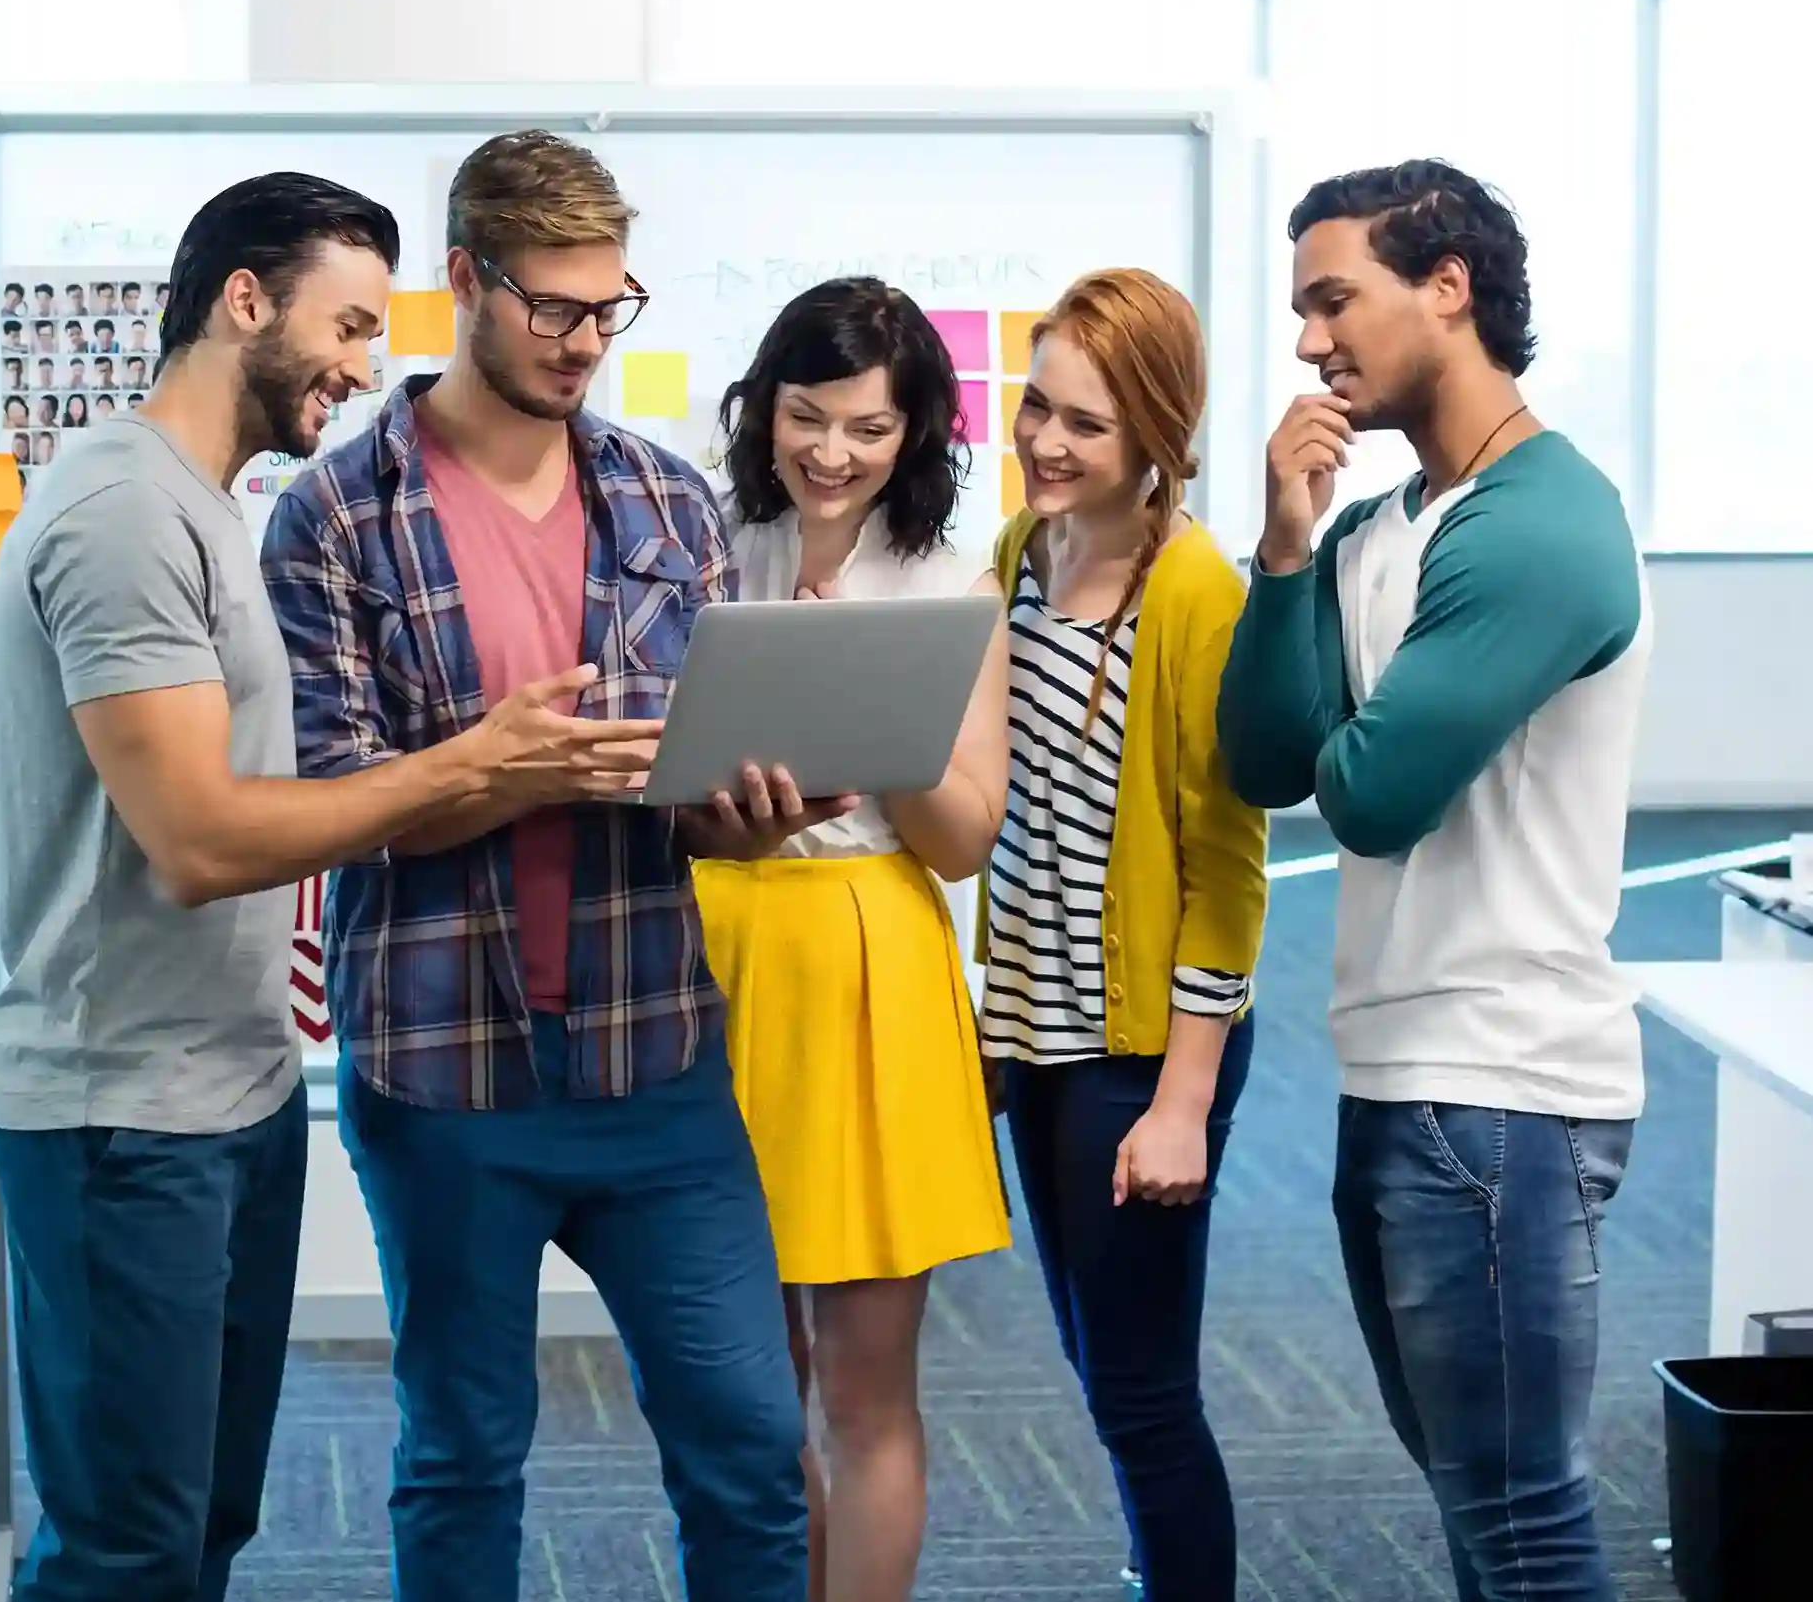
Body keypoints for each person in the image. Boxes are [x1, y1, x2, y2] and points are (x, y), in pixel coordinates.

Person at [0, 169, 661, 1602]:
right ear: (244, 302)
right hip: (122, 1114)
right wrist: (475, 764)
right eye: (346, 327)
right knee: (123, 1551)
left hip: (222, 1092)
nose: (363, 369)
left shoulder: (205, 507)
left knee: (200, 1528)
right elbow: (203, 842)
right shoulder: (120, 516)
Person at [263, 130, 825, 1602]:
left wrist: (748, 807)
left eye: (607, 309)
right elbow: (337, 806)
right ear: (465, 281)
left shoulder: (665, 500)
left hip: (659, 1060)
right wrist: (499, 771)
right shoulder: (334, 514)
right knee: (462, 1459)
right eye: (552, 309)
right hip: (446, 1073)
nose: (584, 342)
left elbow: (695, 795)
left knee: (753, 1446)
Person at [1215, 161, 1650, 1602]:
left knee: (1522, 1528)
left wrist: (1359, 727)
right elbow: (1268, 765)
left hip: (1504, 1087)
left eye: (1333, 300)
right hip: (1400, 1070)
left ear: (1447, 285)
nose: (1307, 342)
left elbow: (1375, 800)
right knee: (1476, 1517)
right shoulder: (1371, 529)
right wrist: (1282, 550)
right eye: (1300, 310)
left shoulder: (1541, 524)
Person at [695, 278, 1009, 1602]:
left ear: (913, 436)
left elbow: (961, 839)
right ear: (762, 408)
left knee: (865, 1383)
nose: (828, 453)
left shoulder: (944, 585)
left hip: (872, 963)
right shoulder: (703, 542)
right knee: (749, 1395)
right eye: (804, 416)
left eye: (865, 431)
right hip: (714, 960)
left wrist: (873, 708)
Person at [975, 269, 1268, 1602]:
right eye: (1038, 406)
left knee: (1143, 1396)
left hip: (1140, 1050)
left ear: (1152, 432)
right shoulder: (1015, 554)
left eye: (1083, 423)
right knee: (1100, 1374)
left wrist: (1183, 1104)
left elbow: (1227, 869)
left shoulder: (1194, 589)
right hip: (1030, 1030)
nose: (1044, 440)